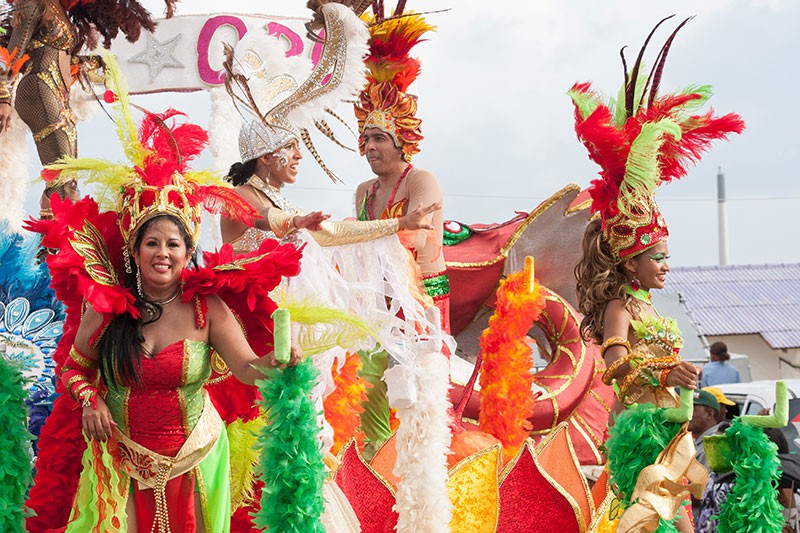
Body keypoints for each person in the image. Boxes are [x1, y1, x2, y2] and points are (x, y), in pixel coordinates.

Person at [24, 53, 308, 532]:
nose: (162, 253)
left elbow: (246, 368)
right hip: (118, 464)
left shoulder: (206, 309)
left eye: (173, 244)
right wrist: (90, 400)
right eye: (151, 243)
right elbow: (74, 368)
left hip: (195, 464)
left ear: (187, 250)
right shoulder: (109, 308)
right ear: (134, 251)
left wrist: (281, 361)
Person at [571, 16, 744, 532]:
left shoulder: (649, 306)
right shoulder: (619, 308)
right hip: (639, 432)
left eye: (666, 257)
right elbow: (615, 366)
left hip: (672, 428)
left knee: (679, 520)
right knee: (649, 521)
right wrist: (662, 373)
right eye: (657, 258)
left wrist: (678, 377)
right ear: (630, 261)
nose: (665, 266)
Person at [0, 0, 167, 217]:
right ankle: (56, 244)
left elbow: (59, 57)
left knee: (67, 175)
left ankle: (54, 242)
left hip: (57, 95)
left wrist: (96, 64)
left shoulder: (60, 9)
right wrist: (3, 97)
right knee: (63, 175)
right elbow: (11, 54)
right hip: (39, 89)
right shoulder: (34, 3)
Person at [689, 389, 721, 469]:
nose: (686, 415)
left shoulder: (715, 444)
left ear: (709, 413)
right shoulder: (697, 441)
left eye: (691, 410)